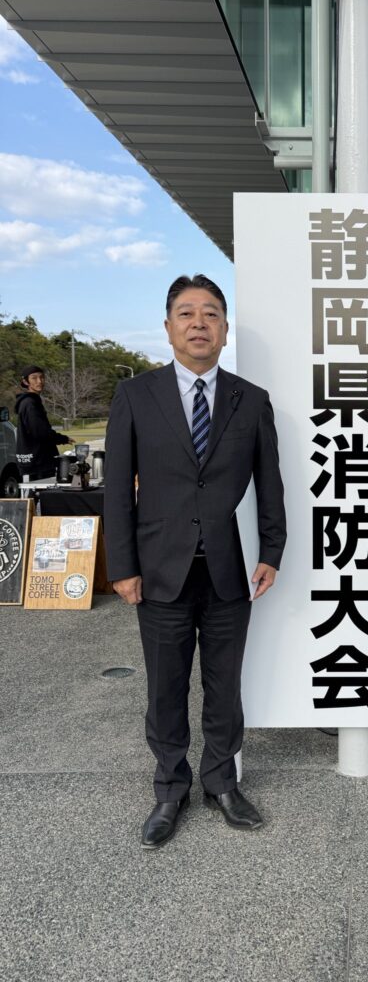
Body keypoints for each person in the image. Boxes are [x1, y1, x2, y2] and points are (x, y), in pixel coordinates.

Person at [105, 274, 286, 850]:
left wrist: (272, 550)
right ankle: (169, 789)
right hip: (159, 570)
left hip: (230, 568)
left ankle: (221, 783)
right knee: (165, 688)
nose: (199, 323)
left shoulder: (250, 399)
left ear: (226, 330)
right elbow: (116, 488)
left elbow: (271, 483)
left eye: (211, 314)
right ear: (168, 328)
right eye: (186, 313)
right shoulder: (136, 395)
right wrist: (122, 565)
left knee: (224, 686)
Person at [14, 365, 72, 480]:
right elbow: (40, 432)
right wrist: (62, 439)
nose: (39, 381)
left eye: (42, 377)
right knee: (42, 490)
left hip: (34, 460)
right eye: (34, 378)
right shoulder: (30, 403)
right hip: (38, 462)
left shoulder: (31, 401)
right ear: (25, 382)